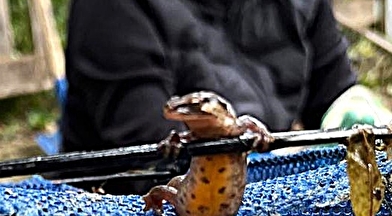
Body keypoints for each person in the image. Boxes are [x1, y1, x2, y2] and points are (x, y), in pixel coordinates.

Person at [59, 0, 390, 193]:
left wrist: (354, 109)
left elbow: (333, 91)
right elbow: (146, 154)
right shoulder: (111, 9)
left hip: (257, 202)